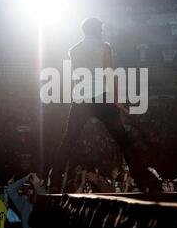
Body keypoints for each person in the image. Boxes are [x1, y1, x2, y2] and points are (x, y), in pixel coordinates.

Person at [56, 18, 131, 191]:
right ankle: (144, 179)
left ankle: (53, 177)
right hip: (101, 97)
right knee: (122, 138)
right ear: (98, 30)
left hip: (81, 99)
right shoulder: (105, 47)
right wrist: (117, 100)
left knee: (69, 139)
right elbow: (109, 73)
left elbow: (78, 75)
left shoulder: (73, 50)